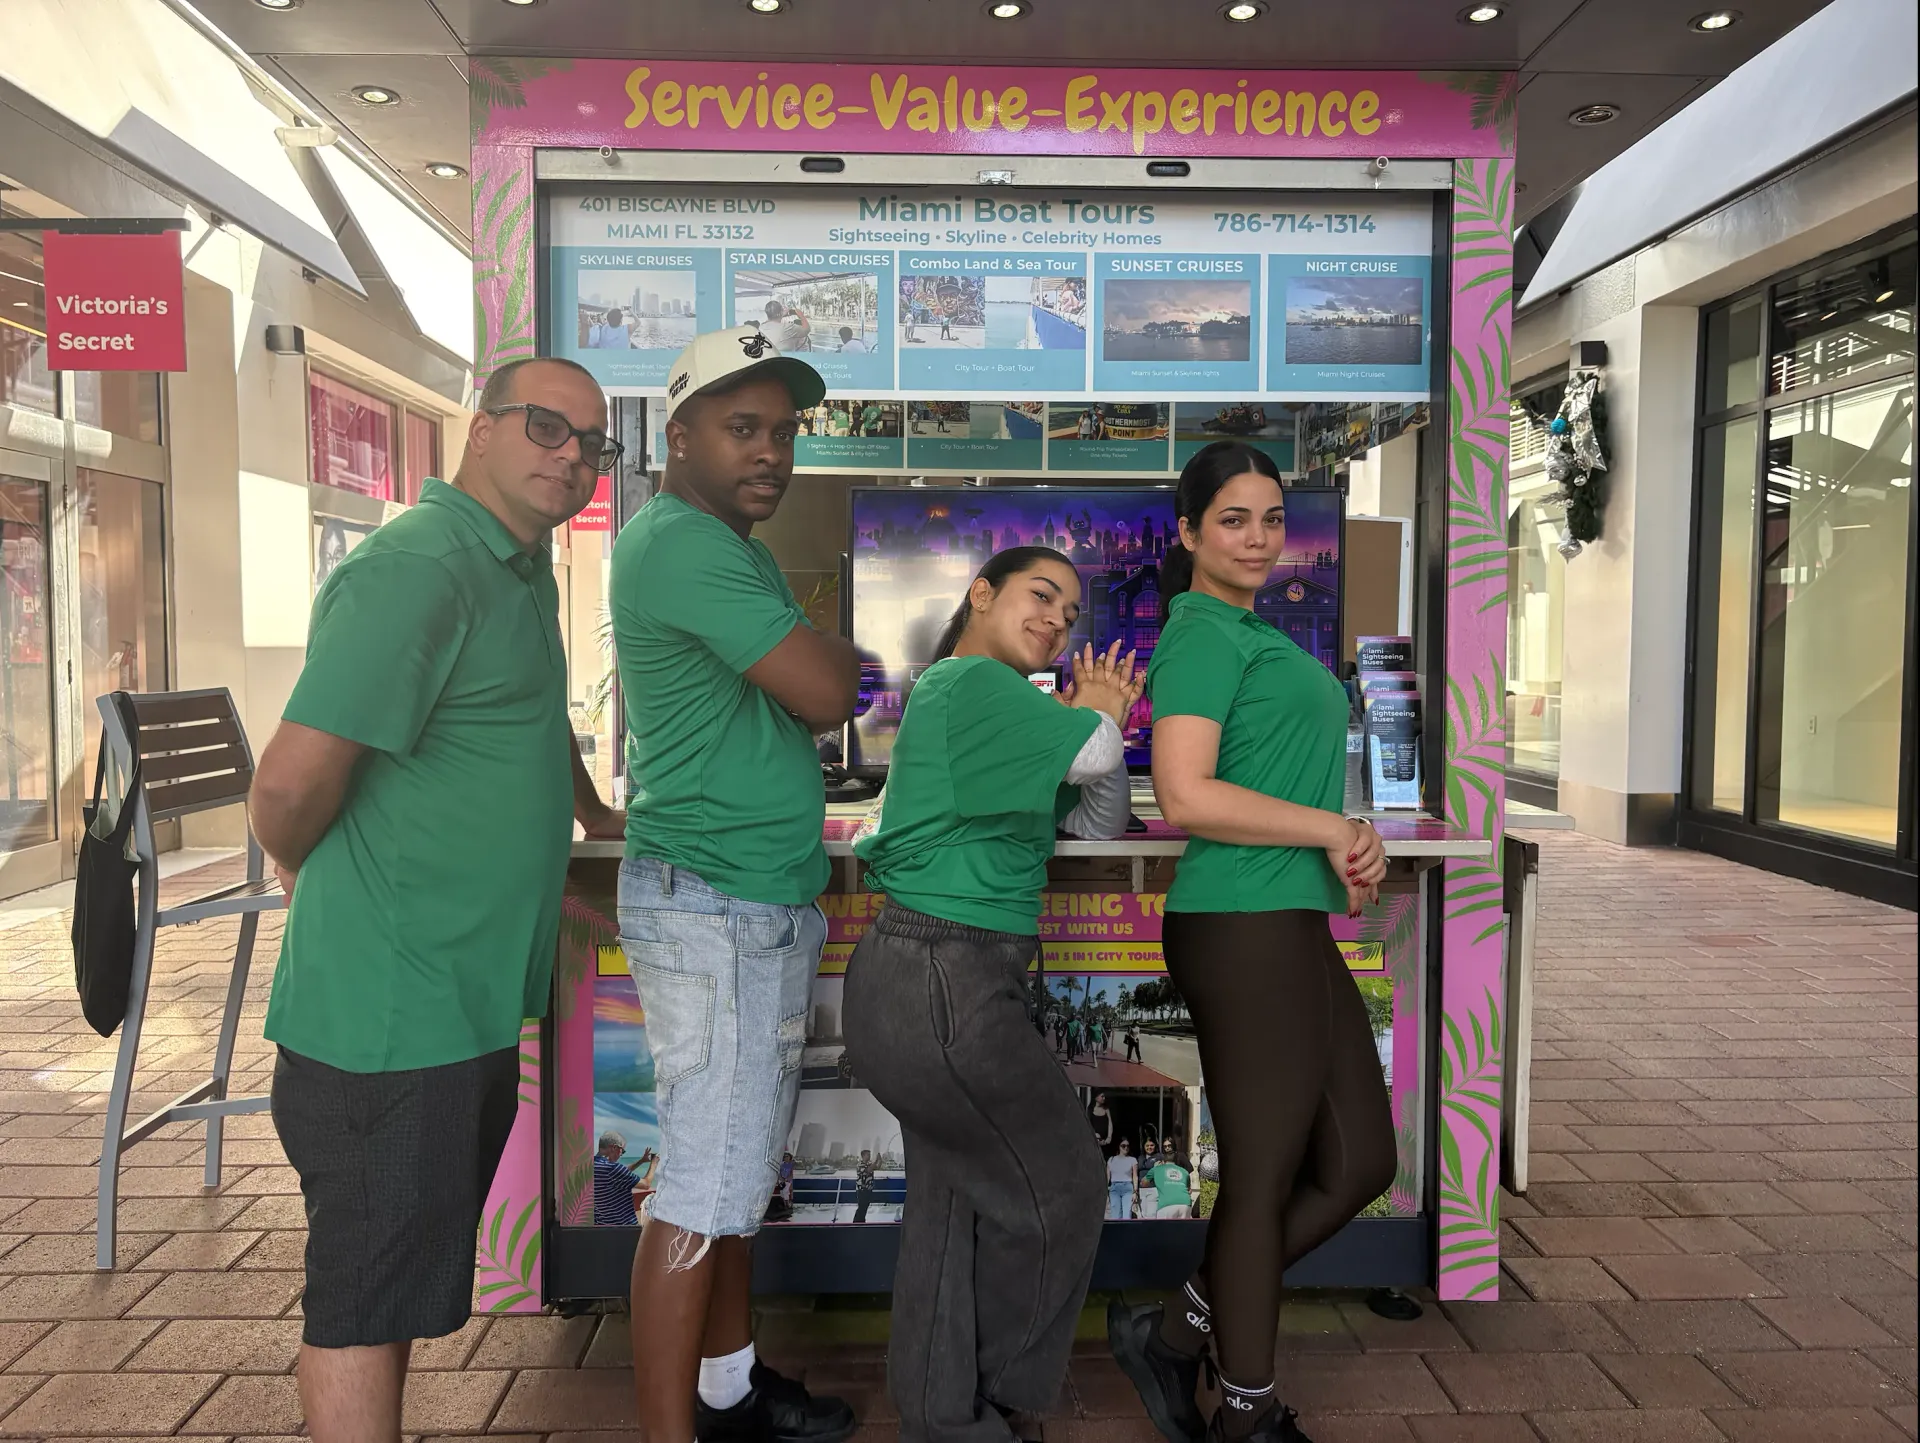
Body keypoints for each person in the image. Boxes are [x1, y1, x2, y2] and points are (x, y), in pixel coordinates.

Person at [249, 356, 627, 1443]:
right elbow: (286, 785)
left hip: (452, 1006)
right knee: (364, 1299)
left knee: (398, 1283)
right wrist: (298, 863)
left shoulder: (511, 568)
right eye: (547, 428)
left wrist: (592, 812)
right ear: (480, 427)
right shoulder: (417, 567)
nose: (571, 457)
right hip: (387, 1019)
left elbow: (527, 710)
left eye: (591, 445)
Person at [1106, 441, 1393, 1443]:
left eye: (1272, 517)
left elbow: (1281, 782)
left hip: (1288, 919)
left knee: (1361, 1162)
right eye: (1234, 518)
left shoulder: (1248, 631)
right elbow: (1187, 794)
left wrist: (1353, 839)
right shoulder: (1199, 635)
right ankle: (1247, 1411)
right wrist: (1332, 830)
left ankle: (1175, 1331)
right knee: (1266, 1179)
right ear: (1187, 533)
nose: (1259, 537)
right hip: (1238, 925)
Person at [612, 325, 858, 1443]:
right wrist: (829, 651)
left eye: (786, 431)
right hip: (715, 907)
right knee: (702, 1191)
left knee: (733, 1175)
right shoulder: (684, 545)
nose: (773, 452)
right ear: (679, 433)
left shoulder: (728, 546)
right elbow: (824, 689)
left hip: (743, 902)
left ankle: (728, 1389)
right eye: (743, 428)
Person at [842, 546, 1141, 1443]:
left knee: (956, 1199)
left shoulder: (1004, 706)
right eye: (1039, 595)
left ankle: (943, 1412)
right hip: (946, 978)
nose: (1057, 618)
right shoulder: (971, 683)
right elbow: (1091, 750)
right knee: (1063, 1186)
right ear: (981, 594)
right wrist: (1100, 714)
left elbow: (1098, 811)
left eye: (1071, 610)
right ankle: (1004, 1392)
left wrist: (1096, 724)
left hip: (922, 980)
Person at [595, 1131, 643, 1228]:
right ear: (614, 1148)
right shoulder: (612, 1168)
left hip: (601, 1225)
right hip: (623, 1227)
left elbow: (623, 1172)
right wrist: (654, 1163)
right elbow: (646, 1184)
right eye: (623, 1151)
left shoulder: (590, 1165)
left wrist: (641, 1161)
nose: (621, 1155)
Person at [1147, 1151, 1195, 1220]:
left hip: (1166, 1205)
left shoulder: (1156, 1169)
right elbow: (1189, 1190)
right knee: (1183, 1230)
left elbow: (1143, 1183)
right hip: (1185, 1204)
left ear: (1163, 1161)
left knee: (1164, 1230)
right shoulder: (1185, 1171)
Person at [1107, 1139, 1139, 1220]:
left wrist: (1135, 1191)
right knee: (1115, 1214)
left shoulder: (1132, 1160)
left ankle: (1126, 1232)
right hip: (1114, 1187)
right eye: (1123, 1146)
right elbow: (1107, 1176)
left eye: (1127, 1146)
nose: (1126, 1148)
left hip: (1127, 1187)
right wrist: (1106, 1189)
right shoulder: (1111, 1159)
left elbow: (1135, 1176)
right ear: (1119, 1147)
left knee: (1127, 1214)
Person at [851, 1150, 876, 1224]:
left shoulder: (869, 1164)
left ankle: (862, 1221)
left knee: (865, 1206)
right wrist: (877, 1160)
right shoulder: (860, 1164)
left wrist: (880, 1160)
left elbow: (876, 1167)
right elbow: (868, 1170)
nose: (869, 1156)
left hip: (868, 1189)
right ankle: (856, 1222)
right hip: (862, 1189)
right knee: (861, 1206)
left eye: (870, 1155)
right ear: (863, 1156)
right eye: (868, 1155)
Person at [1139, 1138, 1161, 1218]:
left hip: (1153, 1188)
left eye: (1152, 1145)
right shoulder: (1140, 1158)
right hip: (1141, 1189)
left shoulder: (1159, 1156)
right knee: (1143, 1214)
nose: (1149, 1147)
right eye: (1147, 1145)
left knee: (1151, 1214)